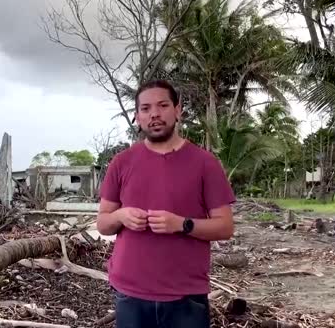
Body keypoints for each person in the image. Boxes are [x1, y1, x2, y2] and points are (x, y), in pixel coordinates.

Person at [96, 80, 236, 328]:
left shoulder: (205, 163)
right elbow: (103, 224)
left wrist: (182, 224)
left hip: (186, 295)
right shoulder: (122, 162)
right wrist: (121, 216)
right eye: (146, 108)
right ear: (138, 117)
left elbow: (225, 228)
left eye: (162, 105)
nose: (155, 114)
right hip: (130, 292)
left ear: (178, 110)